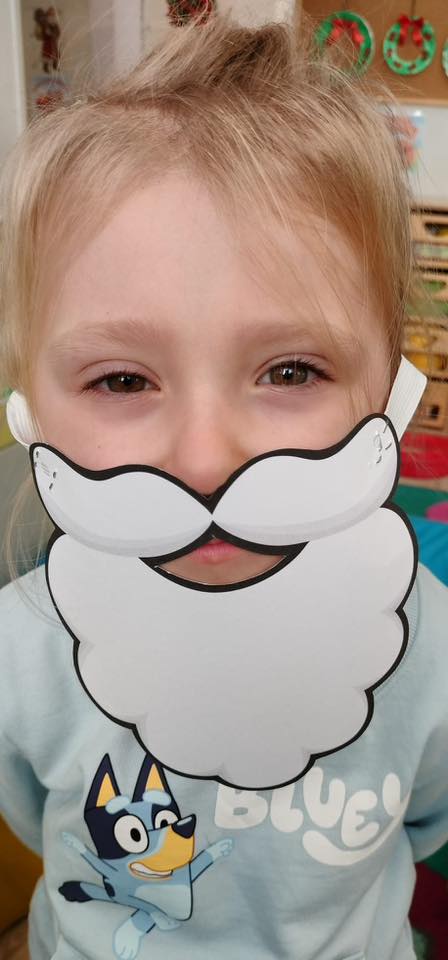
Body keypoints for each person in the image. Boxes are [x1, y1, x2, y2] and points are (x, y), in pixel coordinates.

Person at [0, 15, 447, 960]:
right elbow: (40, 822)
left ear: (390, 391)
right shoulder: (21, 653)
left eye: (291, 371)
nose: (206, 463)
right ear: (29, 405)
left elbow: (425, 817)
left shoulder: (431, 645)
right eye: (122, 380)